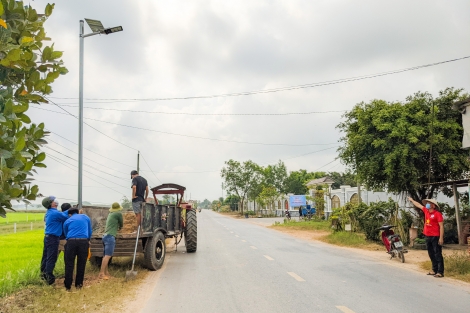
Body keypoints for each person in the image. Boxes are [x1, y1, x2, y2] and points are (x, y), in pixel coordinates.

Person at [408, 197, 444, 278]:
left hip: (435, 236)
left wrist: (441, 238)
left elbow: (441, 226)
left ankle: (440, 271)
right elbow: (418, 205)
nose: (427, 204)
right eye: (427, 203)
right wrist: (412, 200)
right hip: (427, 236)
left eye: (429, 203)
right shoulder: (426, 211)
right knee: (431, 253)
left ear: (433, 206)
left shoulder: (437, 214)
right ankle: (434, 269)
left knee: (437, 253)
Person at [40, 196, 69, 285]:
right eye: (53, 200)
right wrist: (72, 210)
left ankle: (43, 275)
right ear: (51, 203)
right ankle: (49, 279)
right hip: (53, 238)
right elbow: (65, 216)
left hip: (48, 237)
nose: (55, 201)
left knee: (45, 257)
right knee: (51, 258)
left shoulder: (49, 212)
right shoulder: (55, 213)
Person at [63, 208, 92, 291]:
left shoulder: (67, 221)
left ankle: (68, 285)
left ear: (70, 214)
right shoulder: (86, 217)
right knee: (81, 263)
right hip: (83, 242)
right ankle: (79, 285)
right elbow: (89, 230)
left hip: (71, 242)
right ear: (78, 212)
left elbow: (66, 233)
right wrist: (88, 240)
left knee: (69, 264)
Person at [99, 202, 124, 280]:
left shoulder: (110, 214)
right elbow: (121, 224)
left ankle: (106, 273)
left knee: (105, 256)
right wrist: (119, 228)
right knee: (108, 256)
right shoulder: (118, 214)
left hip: (105, 236)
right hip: (110, 237)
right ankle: (101, 273)